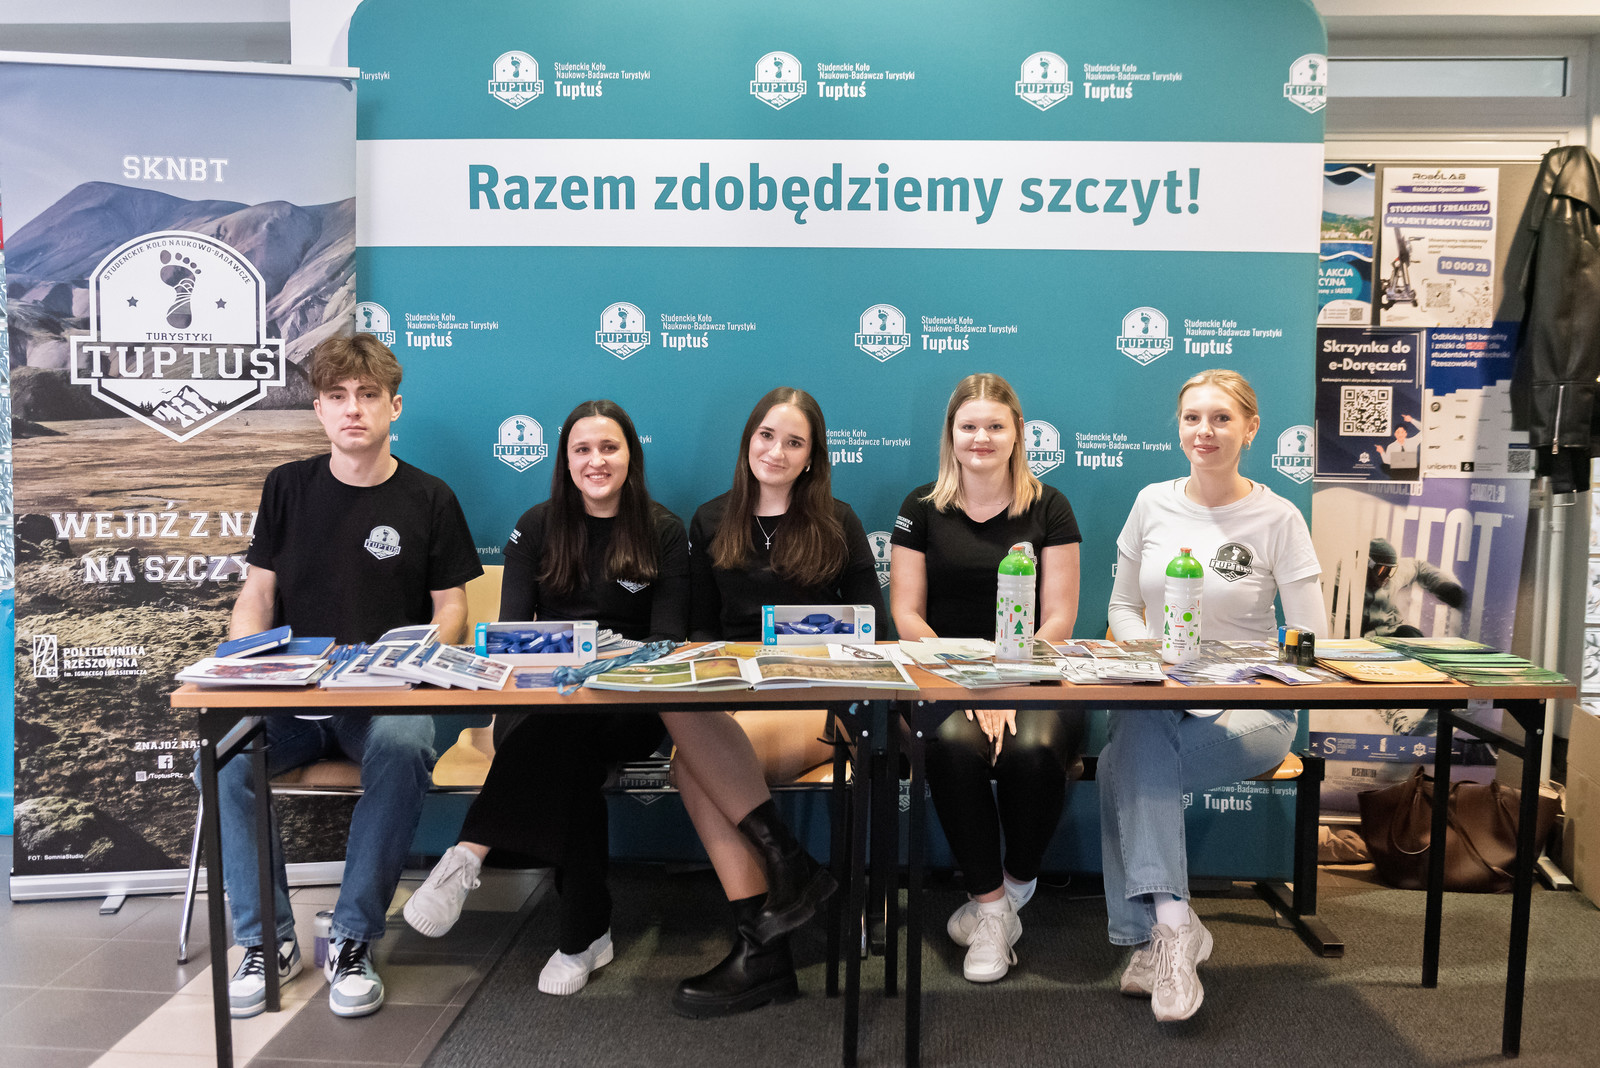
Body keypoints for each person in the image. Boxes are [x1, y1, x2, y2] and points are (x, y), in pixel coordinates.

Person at [217, 334, 483, 1019]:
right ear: (319, 409)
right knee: (223, 756)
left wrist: (419, 655)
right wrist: (245, 659)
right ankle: (266, 942)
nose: (353, 409)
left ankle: (353, 939)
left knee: (403, 742)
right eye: (336, 396)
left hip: (382, 702)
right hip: (294, 704)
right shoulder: (286, 486)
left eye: (368, 395)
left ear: (395, 406)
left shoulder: (430, 497)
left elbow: (452, 607)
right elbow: (256, 595)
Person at [401, 400, 688, 996]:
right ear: (565, 460)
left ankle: (469, 852)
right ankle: (584, 937)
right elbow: (510, 639)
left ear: (630, 456)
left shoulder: (663, 530)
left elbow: (664, 646)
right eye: (582, 449)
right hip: (541, 703)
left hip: (626, 707)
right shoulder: (536, 526)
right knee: (568, 752)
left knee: (569, 739)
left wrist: (602, 663)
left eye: (608, 447)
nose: (595, 461)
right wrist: (559, 671)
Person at [1103, 368, 1323, 1022]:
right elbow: (1121, 607)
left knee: (1122, 766)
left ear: (1250, 428)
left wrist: (1227, 676)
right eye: (1193, 417)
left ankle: (1154, 933)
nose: (1205, 431)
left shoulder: (1279, 517)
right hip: (1160, 697)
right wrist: (1154, 658)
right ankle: (1173, 928)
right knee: (1135, 736)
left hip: (1254, 710)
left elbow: (1309, 638)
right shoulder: (1151, 502)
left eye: (1222, 418)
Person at [663, 386, 885, 1018]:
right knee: (686, 736)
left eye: (794, 442)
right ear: (748, 440)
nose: (776, 452)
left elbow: (875, 628)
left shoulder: (838, 521)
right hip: (737, 697)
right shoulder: (711, 519)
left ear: (812, 456)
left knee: (691, 768)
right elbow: (698, 632)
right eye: (767, 435)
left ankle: (764, 945)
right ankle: (785, 882)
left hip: (820, 699)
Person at [889, 372, 1085, 984]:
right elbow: (906, 616)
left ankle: (1013, 888)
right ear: (951, 433)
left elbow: (1059, 619)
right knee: (950, 745)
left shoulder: (1049, 506)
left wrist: (1007, 683)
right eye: (969, 426)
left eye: (995, 426)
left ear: (1017, 432)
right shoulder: (920, 507)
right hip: (943, 678)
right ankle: (992, 909)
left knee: (1033, 751)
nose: (981, 438)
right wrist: (971, 683)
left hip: (1035, 674)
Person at [1361, 536, 1465, 638]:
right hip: (1361, 637)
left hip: (1389, 632)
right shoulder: (1353, 583)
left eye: (1391, 570)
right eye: (1382, 570)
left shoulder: (1394, 577)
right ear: (1369, 565)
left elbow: (1418, 567)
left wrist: (1442, 585)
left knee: (1410, 633)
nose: (1386, 577)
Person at [1375, 413, 1422, 479]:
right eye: (1398, 432)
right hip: (1397, 474)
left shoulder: (1413, 442)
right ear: (1395, 434)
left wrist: (1411, 420)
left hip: (1411, 474)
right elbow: (1387, 461)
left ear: (1406, 433)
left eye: (1402, 432)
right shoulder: (1391, 446)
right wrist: (1382, 452)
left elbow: (1425, 430)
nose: (1400, 435)